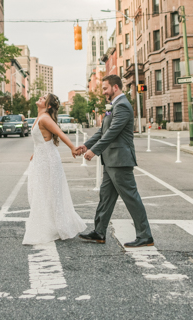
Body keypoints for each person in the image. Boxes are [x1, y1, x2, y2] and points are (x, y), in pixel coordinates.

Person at [75, 75, 153, 248]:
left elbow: (113, 133)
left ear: (115, 88)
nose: (103, 92)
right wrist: (86, 145)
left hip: (120, 160)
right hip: (110, 161)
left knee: (131, 198)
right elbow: (103, 130)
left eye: (105, 88)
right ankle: (99, 232)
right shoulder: (113, 106)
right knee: (106, 197)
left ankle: (145, 235)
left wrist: (94, 151)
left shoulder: (123, 106)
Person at [23, 94, 87, 245]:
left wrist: (72, 147)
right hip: (41, 159)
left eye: (44, 97)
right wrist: (35, 153)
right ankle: (50, 223)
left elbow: (59, 133)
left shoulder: (45, 118)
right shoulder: (40, 117)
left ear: (48, 106)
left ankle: (57, 225)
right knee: (43, 191)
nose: (40, 97)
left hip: (49, 161)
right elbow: (42, 140)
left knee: (50, 191)